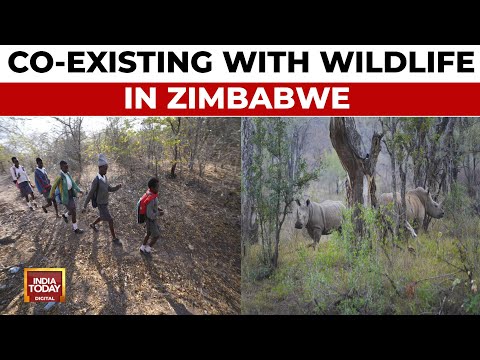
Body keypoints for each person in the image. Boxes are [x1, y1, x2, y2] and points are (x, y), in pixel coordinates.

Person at [82, 154, 122, 245]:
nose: (106, 171)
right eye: (105, 169)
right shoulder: (96, 180)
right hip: (100, 203)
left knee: (103, 216)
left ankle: (92, 224)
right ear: (99, 168)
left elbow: (109, 189)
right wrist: (84, 206)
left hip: (105, 202)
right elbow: (90, 194)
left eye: (107, 169)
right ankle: (114, 238)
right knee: (110, 219)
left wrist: (117, 187)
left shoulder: (104, 177)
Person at [48, 160, 84, 234]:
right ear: (61, 167)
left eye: (67, 167)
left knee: (72, 210)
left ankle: (65, 215)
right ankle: (75, 229)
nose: (67, 168)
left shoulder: (68, 174)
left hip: (70, 194)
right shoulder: (59, 177)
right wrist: (51, 195)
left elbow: (73, 183)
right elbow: (53, 186)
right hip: (64, 196)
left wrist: (79, 190)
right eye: (65, 167)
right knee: (73, 211)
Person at [140, 177, 164, 254]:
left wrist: (157, 208)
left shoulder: (151, 193)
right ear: (152, 188)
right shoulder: (151, 198)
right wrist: (159, 213)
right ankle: (147, 249)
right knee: (156, 236)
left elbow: (152, 206)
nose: (158, 188)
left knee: (148, 233)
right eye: (157, 187)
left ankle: (142, 247)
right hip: (150, 220)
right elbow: (150, 214)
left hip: (149, 219)